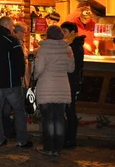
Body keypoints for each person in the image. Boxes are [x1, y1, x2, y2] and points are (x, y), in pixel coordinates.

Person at [0, 16, 33, 149]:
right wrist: (19, 76)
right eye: (11, 25)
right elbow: (19, 61)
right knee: (19, 110)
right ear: (8, 25)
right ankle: (22, 140)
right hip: (10, 82)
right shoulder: (11, 41)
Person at [34, 25, 75, 157]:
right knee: (59, 118)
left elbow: (39, 69)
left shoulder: (43, 50)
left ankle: (48, 147)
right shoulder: (68, 49)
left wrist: (34, 77)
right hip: (62, 87)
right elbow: (71, 69)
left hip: (46, 86)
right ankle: (58, 147)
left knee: (47, 119)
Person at [60, 21, 86, 149]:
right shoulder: (72, 44)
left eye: (64, 31)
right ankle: (68, 138)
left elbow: (73, 67)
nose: (62, 34)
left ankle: (70, 139)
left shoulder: (74, 46)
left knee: (69, 110)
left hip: (71, 81)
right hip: (69, 81)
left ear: (72, 32)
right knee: (68, 110)